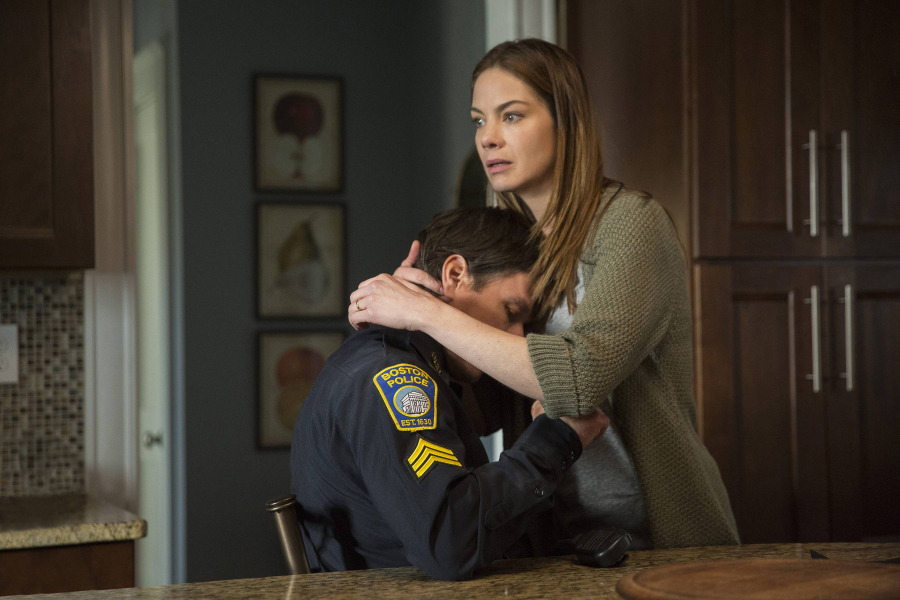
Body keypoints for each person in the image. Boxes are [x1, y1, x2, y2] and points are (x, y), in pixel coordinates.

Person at [348, 38, 740, 550]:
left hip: (663, 539)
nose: (487, 138)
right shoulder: (516, 246)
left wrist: (426, 315)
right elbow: (487, 413)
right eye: (479, 120)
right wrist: (418, 318)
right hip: (558, 543)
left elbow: (578, 381)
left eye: (511, 116)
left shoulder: (632, 225)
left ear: (566, 121)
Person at [291, 207, 609, 581]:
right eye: (510, 311)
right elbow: (452, 542)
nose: (518, 337)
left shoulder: (400, 358)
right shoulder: (394, 376)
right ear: (455, 274)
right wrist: (558, 438)